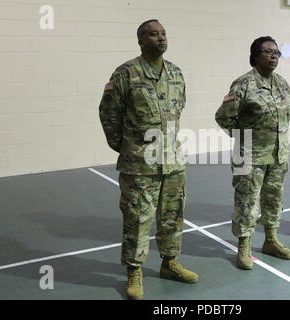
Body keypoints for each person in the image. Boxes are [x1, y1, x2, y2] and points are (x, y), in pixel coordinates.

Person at [99, 19, 198, 300]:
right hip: (139, 164)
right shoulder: (126, 74)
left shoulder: (176, 73)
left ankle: (170, 263)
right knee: (137, 219)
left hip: (173, 161)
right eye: (154, 34)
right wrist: (127, 148)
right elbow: (109, 115)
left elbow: (178, 111)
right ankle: (134, 270)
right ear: (141, 41)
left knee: (173, 216)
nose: (161, 38)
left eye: (164, 33)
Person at [215, 36, 290, 270]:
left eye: (277, 53)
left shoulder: (282, 83)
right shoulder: (243, 84)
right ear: (255, 55)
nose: (273, 56)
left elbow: (289, 111)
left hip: (278, 155)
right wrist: (245, 138)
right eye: (268, 52)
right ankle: (244, 246)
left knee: (274, 199)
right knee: (246, 202)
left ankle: (271, 240)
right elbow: (223, 117)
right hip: (249, 155)